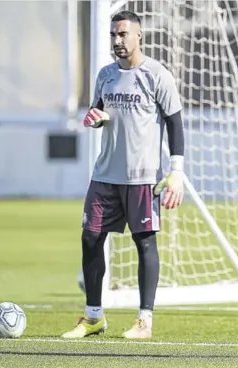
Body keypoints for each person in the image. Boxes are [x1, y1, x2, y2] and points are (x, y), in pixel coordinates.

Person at [62, 10, 185, 339]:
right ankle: (93, 316)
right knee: (90, 238)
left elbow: (175, 124)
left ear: (139, 36)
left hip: (143, 177)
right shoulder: (105, 75)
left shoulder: (157, 75)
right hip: (105, 175)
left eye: (123, 34)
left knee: (145, 243)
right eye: (114, 35)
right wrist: (95, 118)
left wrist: (176, 172)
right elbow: (97, 109)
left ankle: (145, 319)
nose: (117, 40)